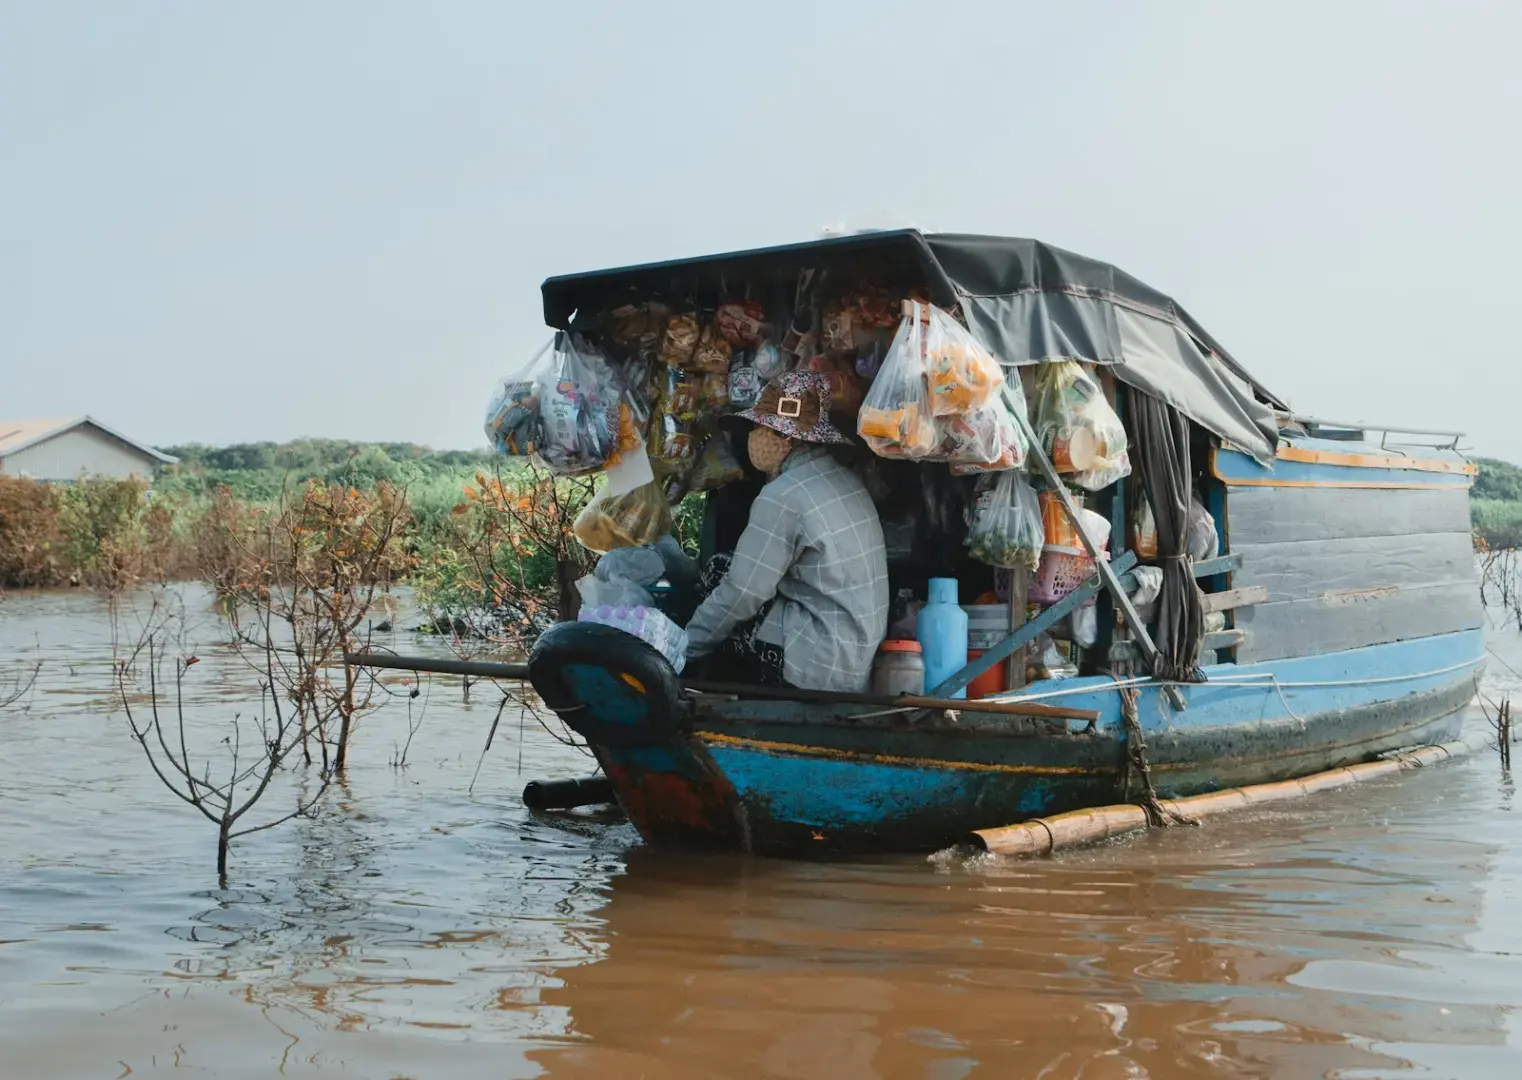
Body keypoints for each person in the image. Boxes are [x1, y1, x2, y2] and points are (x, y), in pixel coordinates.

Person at [685, 370, 889, 692]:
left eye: (759, 428)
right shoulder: (849, 482)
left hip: (813, 667)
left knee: (718, 574)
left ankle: (712, 688)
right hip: (854, 663)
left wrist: (683, 650)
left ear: (787, 438)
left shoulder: (783, 496)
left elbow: (742, 593)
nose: (753, 436)